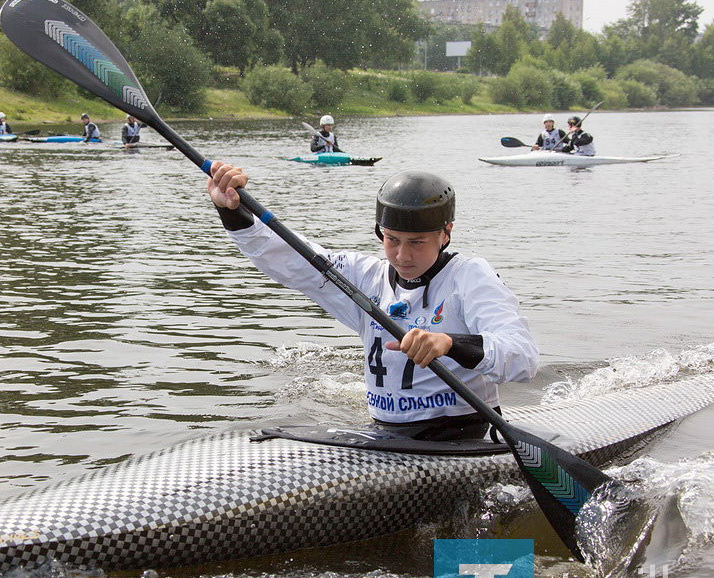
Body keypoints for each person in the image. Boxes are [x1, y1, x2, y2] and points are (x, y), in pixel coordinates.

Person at [205, 163, 539, 442]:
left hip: (461, 435)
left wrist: (448, 343)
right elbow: (290, 259)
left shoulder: (469, 276)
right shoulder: (366, 277)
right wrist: (231, 210)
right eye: (391, 240)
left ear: (445, 233)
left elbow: (521, 357)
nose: (402, 256)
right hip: (386, 435)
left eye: (417, 242)